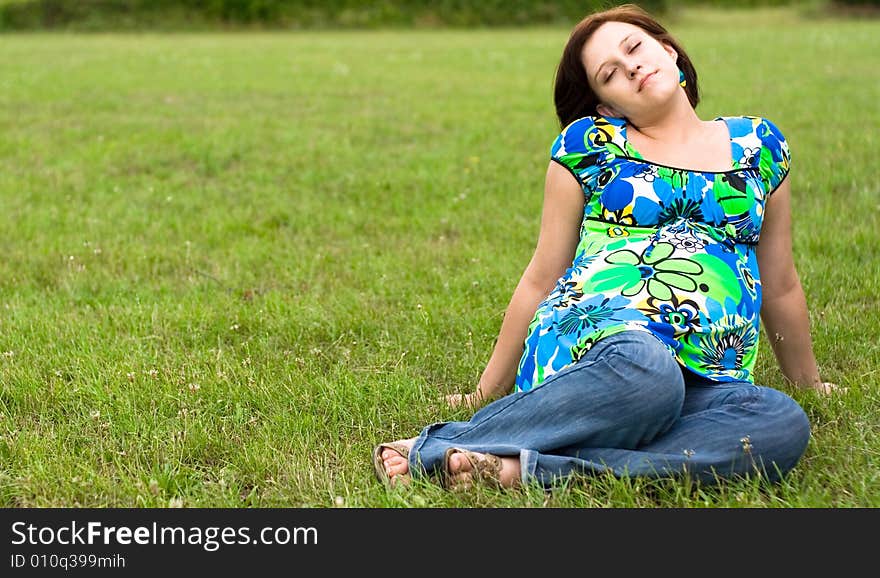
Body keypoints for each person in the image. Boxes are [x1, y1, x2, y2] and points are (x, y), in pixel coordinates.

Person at [373, 3, 840, 491]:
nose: (631, 65)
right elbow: (541, 275)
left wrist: (806, 383)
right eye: (609, 73)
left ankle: (527, 469)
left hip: (708, 377)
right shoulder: (591, 145)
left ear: (670, 50)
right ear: (608, 106)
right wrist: (486, 391)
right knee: (650, 374)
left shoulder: (759, 145)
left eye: (635, 47)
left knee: (777, 421)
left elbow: (780, 282)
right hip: (602, 356)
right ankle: (445, 443)